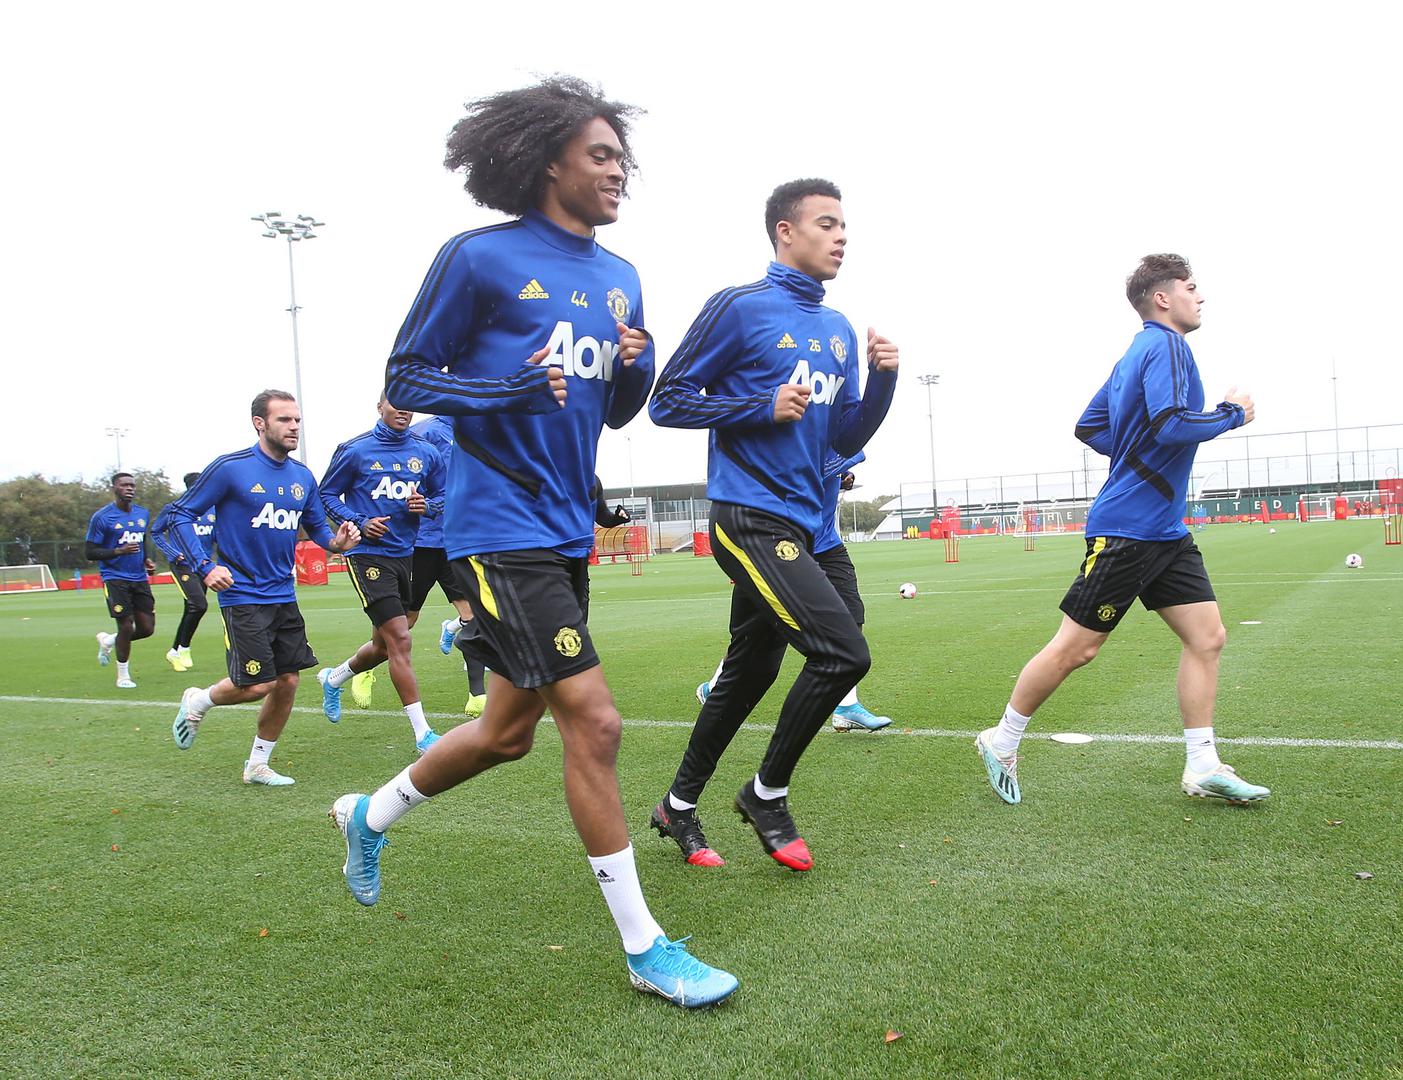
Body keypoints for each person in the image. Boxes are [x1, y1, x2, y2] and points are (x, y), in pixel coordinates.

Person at [327, 77, 737, 1009]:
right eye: (600, 155)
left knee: (507, 734)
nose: (616, 173)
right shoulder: (478, 258)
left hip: (561, 532)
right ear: (546, 160)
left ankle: (368, 813)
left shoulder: (622, 275)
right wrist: (503, 391)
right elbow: (408, 374)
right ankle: (646, 947)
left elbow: (616, 408)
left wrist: (639, 367)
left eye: (622, 160)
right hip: (494, 528)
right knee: (594, 724)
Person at [648, 178, 899, 871]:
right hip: (750, 517)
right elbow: (666, 402)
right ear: (785, 232)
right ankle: (767, 794)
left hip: (814, 528)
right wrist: (757, 407)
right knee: (842, 654)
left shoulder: (840, 327)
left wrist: (882, 381)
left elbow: (843, 432)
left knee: (749, 673)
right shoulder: (737, 307)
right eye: (826, 223)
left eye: (844, 225)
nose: (840, 236)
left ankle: (676, 805)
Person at [975, 254, 1270, 806]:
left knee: (1207, 638)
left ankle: (1203, 765)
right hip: (1129, 529)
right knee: (1077, 649)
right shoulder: (1167, 347)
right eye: (1191, 287)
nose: (1199, 296)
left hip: (1165, 531)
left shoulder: (1133, 354)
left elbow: (1090, 425)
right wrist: (1232, 413)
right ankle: (1002, 738)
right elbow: (1172, 423)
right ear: (1163, 299)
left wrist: (1135, 455)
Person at [154, 390, 360, 786]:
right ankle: (197, 700)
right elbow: (179, 515)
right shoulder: (232, 468)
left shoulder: (302, 477)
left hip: (284, 595)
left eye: (297, 419)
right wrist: (205, 565)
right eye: (285, 419)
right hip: (242, 594)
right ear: (260, 423)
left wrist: (338, 543)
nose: (294, 426)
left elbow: (317, 528)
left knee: (288, 681)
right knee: (257, 684)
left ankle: (257, 765)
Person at [693, 451, 892, 733]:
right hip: (781, 544)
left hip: (826, 543)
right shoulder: (801, 433)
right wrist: (841, 462)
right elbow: (802, 470)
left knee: (851, 616)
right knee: (755, 636)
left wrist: (841, 476)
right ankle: (715, 686)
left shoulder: (830, 429)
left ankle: (846, 705)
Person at [315, 395, 447, 754]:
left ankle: (334, 677)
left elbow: (443, 493)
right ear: (380, 407)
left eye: (409, 404)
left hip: (407, 554)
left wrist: (429, 505)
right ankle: (423, 735)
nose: (404, 410)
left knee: (382, 646)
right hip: (367, 555)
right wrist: (358, 522)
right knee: (401, 639)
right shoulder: (355, 450)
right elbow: (325, 494)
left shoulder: (427, 451)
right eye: (396, 403)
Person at [349, 412, 487, 719]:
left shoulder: (477, 429)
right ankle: (361, 668)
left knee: (473, 614)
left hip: (456, 541)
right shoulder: (428, 432)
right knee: (401, 627)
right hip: (421, 544)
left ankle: (477, 695)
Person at [85, 471, 156, 689]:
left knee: (147, 629)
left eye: (132, 485)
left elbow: (141, 540)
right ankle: (123, 675)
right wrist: (119, 551)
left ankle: (108, 641)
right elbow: (90, 552)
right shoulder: (103, 517)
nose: (130, 488)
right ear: (114, 488)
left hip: (138, 578)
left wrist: (146, 560)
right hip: (115, 578)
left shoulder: (142, 514)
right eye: (124, 485)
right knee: (126, 625)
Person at [157, 471, 216, 672]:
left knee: (191, 608)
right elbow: (155, 532)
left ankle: (174, 650)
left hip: (204, 566)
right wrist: (172, 553)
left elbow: (217, 535)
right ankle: (184, 647)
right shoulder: (174, 509)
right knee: (199, 605)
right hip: (182, 565)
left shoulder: (212, 510)